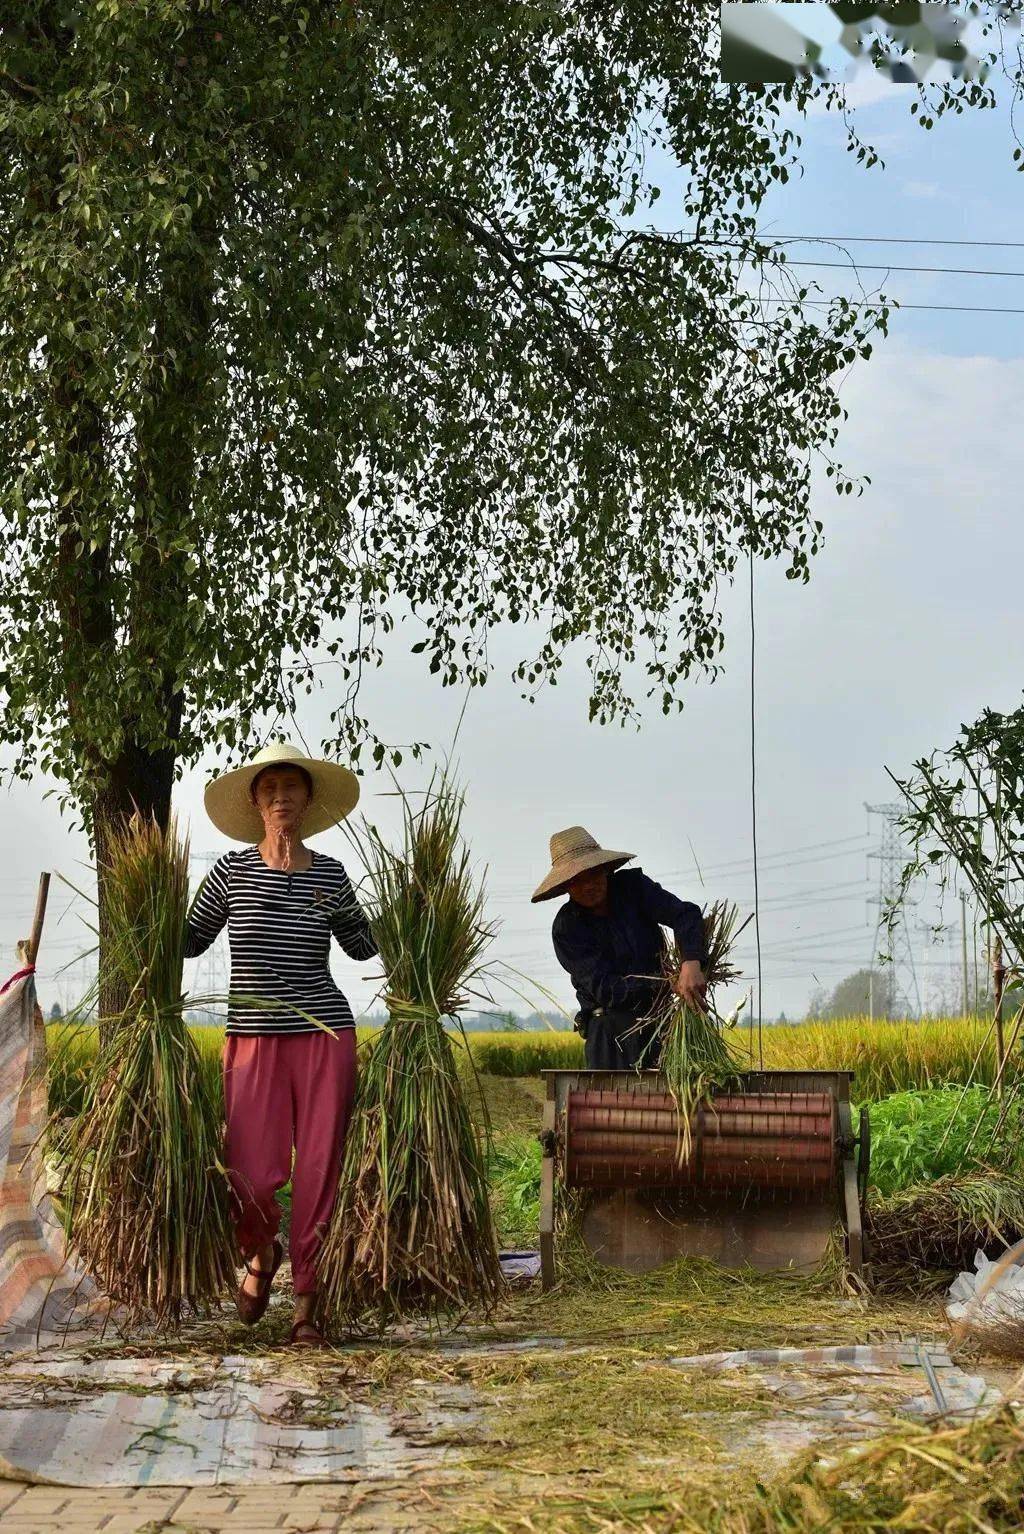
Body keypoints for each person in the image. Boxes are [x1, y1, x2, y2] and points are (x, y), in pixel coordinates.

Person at [184, 741, 377, 1347]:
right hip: (253, 1036)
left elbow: (362, 948)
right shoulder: (231, 872)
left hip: (323, 1035)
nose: (281, 798)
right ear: (255, 803)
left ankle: (307, 1305)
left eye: (291, 788)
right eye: (270, 790)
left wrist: (390, 915)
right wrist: (152, 910)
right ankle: (262, 1254)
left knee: (321, 1169)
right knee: (250, 1173)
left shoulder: (331, 874)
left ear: (308, 799)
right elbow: (188, 943)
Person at [532, 826, 707, 1070]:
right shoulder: (567, 928)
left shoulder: (634, 888)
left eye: (592, 874)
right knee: (614, 1105)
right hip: (610, 1036)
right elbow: (608, 990)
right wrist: (667, 982)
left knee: (673, 1103)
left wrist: (691, 961)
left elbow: (685, 915)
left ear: (605, 868)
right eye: (576, 880)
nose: (588, 885)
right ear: (566, 887)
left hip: (662, 1024)